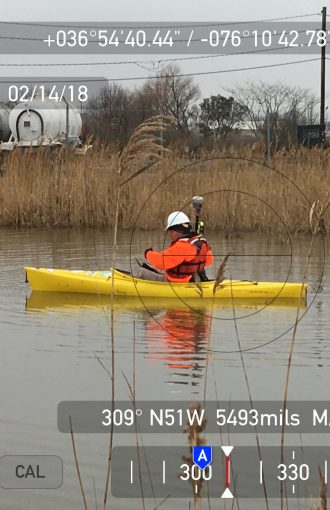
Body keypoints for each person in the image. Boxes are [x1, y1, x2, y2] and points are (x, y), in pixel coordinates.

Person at [139, 211, 213, 282]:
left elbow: (161, 261)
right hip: (189, 279)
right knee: (151, 267)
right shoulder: (200, 242)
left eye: (171, 231)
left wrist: (148, 253)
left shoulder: (182, 246)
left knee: (142, 271)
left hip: (174, 282)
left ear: (180, 230)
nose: (169, 234)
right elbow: (209, 261)